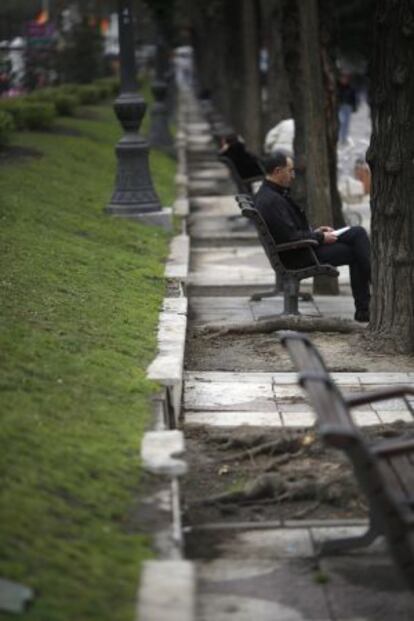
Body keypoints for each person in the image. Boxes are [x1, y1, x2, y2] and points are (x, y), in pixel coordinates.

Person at [254, 151, 371, 322]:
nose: (293, 175)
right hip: (298, 255)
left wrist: (316, 232)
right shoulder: (271, 200)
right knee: (355, 252)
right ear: (278, 171)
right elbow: (290, 237)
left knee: (357, 232)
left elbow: (289, 231)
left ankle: (369, 294)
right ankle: (368, 299)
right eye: (290, 170)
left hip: (302, 247)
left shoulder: (271, 193)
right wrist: (320, 238)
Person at [338, 72, 357, 145]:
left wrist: (354, 107)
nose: (344, 80)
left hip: (348, 107)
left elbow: (353, 99)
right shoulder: (338, 88)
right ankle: (339, 138)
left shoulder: (351, 88)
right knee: (341, 122)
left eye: (346, 78)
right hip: (340, 107)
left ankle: (344, 139)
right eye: (343, 78)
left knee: (346, 123)